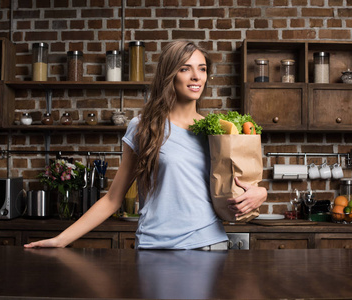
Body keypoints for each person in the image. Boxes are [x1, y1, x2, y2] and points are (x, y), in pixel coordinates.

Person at [24, 41, 267, 250]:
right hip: (155, 246)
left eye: (202, 69)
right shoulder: (144, 126)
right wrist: (61, 240)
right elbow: (112, 199)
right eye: (185, 69)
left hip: (209, 243)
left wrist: (261, 193)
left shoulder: (216, 130)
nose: (196, 76)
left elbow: (233, 188)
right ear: (170, 74)